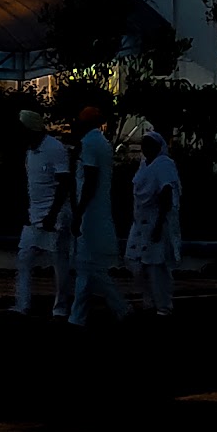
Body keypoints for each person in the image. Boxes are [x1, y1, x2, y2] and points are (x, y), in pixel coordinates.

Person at [68, 107, 130, 327]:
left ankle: (119, 308)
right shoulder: (101, 143)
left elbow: (90, 181)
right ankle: (79, 315)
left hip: (90, 214)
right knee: (89, 268)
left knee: (88, 266)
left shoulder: (89, 144)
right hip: (97, 211)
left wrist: (79, 212)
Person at [12, 108, 73, 318]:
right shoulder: (30, 151)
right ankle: (22, 304)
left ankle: (60, 307)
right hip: (34, 215)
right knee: (24, 258)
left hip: (54, 216)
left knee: (59, 262)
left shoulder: (54, 148)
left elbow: (64, 183)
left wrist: (53, 214)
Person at [124, 131, 181, 317]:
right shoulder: (143, 165)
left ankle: (163, 306)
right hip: (140, 221)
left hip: (156, 221)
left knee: (156, 266)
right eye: (143, 144)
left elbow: (165, 194)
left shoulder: (164, 165)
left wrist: (158, 226)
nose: (145, 148)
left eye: (149, 144)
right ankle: (148, 301)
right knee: (135, 262)